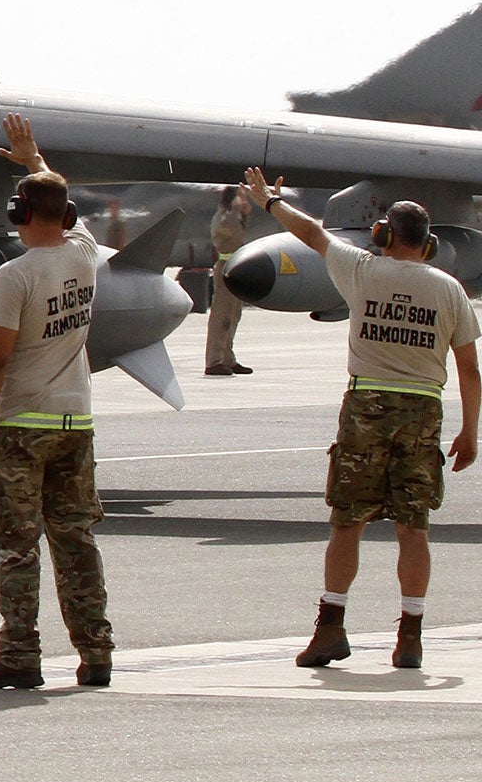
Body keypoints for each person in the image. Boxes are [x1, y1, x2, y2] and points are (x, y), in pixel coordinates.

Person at [242, 168, 480, 670]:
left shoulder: (362, 270)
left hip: (365, 410)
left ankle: (330, 628)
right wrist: (470, 432)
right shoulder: (449, 289)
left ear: (383, 234)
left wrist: (271, 202)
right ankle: (410, 637)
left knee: (346, 523)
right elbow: (470, 370)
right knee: (413, 528)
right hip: (422, 413)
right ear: (428, 242)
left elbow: (312, 232)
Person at [0, 112, 114, 690]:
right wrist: (34, 159)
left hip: (22, 425)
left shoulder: (14, 276)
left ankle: (21, 655)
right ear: (67, 218)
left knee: (16, 545)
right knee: (76, 539)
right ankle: (95, 651)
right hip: (76, 422)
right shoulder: (84, 252)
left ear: (18, 216)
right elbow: (59, 195)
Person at [205, 186, 255, 376]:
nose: (244, 200)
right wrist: (236, 209)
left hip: (236, 264)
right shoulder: (224, 216)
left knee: (234, 315)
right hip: (225, 266)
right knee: (221, 316)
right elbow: (228, 229)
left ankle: (228, 358)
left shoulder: (235, 216)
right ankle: (213, 361)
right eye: (241, 197)